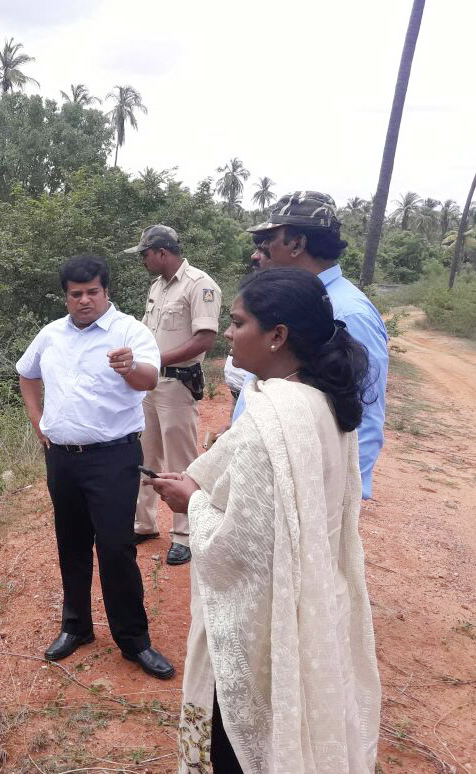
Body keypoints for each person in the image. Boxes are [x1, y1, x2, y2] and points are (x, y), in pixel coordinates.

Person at [146, 268, 381, 773]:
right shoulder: (324, 403)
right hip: (310, 599)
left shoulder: (272, 420)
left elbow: (244, 549)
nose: (228, 333)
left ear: (277, 336)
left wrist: (193, 504)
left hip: (265, 628)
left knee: (246, 742)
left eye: (238, 322)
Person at [16, 254, 174, 679]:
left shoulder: (129, 332)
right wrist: (37, 421)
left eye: (92, 292)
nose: (84, 300)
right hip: (62, 458)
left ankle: (134, 640)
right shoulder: (50, 335)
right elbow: (26, 375)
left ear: (106, 292)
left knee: (115, 548)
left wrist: (129, 367)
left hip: (113, 457)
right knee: (70, 543)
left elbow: (149, 379)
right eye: (75, 294)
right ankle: (76, 627)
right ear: (66, 296)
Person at [233, 190, 388, 499]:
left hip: (301, 494)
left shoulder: (346, 312)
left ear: (297, 244)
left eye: (270, 241)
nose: (261, 252)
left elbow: (365, 415)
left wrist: (332, 501)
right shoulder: (294, 300)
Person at [125, 225, 222, 565]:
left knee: (181, 460)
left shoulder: (200, 285)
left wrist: (155, 359)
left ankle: (185, 534)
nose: (142, 261)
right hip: (150, 385)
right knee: (146, 455)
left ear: (162, 252)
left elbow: (205, 339)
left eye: (145, 254)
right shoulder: (157, 287)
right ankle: (144, 522)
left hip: (178, 384)